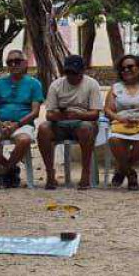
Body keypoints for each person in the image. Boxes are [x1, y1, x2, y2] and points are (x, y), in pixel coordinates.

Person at [0, 48, 45, 186]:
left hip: (22, 124)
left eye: (17, 61)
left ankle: (6, 171)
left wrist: (17, 124)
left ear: (25, 63)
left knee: (24, 140)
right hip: (0, 123)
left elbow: (35, 112)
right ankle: (11, 167)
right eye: (10, 62)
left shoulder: (34, 84)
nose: (13, 64)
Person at [37, 54, 104, 189]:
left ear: (82, 71)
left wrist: (80, 115)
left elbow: (95, 114)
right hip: (61, 122)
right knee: (43, 128)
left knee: (86, 128)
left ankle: (85, 173)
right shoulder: (56, 85)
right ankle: (50, 173)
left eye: (74, 73)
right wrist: (62, 115)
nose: (71, 76)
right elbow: (49, 114)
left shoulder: (92, 84)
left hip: (83, 122)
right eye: (68, 72)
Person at [104, 53, 139, 189]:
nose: (126, 70)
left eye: (130, 67)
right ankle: (130, 173)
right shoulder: (116, 88)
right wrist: (120, 118)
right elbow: (108, 110)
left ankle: (122, 169)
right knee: (114, 139)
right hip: (120, 123)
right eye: (123, 68)